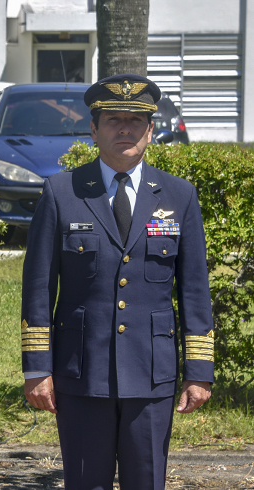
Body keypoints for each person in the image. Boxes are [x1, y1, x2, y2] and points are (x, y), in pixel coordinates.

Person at [21, 74, 214, 489]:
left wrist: (199, 370)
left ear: (151, 130)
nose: (125, 129)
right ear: (93, 130)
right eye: (113, 120)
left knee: (147, 480)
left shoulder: (179, 196)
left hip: (151, 371)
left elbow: (195, 289)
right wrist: (37, 367)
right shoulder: (62, 192)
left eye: (135, 120)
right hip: (81, 371)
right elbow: (38, 288)